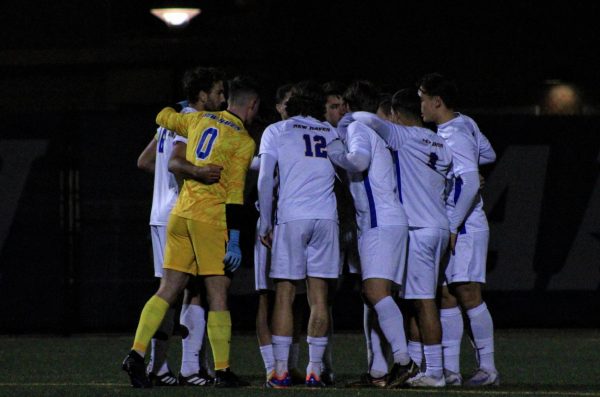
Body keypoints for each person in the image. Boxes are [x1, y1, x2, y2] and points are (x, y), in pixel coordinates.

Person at [121, 75, 260, 388]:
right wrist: (235, 240)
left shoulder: (195, 118)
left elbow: (162, 117)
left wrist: (177, 108)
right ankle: (222, 370)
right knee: (217, 293)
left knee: (167, 289)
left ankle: (136, 354)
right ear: (251, 106)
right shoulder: (243, 140)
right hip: (209, 219)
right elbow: (236, 195)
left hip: (180, 215)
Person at [352, 88, 453, 387]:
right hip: (439, 225)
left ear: (396, 115)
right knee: (418, 301)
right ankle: (422, 367)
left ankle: (434, 372)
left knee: (423, 303)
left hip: (419, 229)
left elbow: (369, 121)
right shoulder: (441, 143)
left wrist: (349, 116)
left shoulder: (404, 136)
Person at [135, 65, 226, 387]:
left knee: (169, 293)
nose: (222, 98)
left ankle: (158, 366)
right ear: (202, 95)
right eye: (218, 92)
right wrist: (196, 176)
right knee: (195, 292)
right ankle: (189, 368)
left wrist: (165, 183)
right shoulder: (196, 122)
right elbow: (177, 162)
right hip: (183, 213)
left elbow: (145, 162)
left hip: (159, 213)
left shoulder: (171, 121)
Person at [327, 81, 416, 389]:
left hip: (381, 221)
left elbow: (359, 161)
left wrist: (334, 151)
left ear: (349, 107)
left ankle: (405, 362)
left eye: (339, 106)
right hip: (380, 221)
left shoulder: (356, 128)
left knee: (376, 293)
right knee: (372, 295)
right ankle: (378, 371)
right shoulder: (372, 130)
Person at [418, 73, 499, 387]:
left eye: (423, 99)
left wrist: (452, 224)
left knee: (467, 292)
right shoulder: (465, 123)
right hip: (459, 225)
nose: (420, 105)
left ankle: (488, 369)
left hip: (464, 226)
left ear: (437, 101)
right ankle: (450, 370)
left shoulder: (454, 134)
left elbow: (466, 182)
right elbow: (488, 154)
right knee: (447, 294)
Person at [258, 81, 339, 388]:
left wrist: (265, 221)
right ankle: (315, 370)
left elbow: (266, 179)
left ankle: (280, 371)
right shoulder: (329, 132)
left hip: (292, 218)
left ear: (290, 106)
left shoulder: (277, 131)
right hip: (325, 218)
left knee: (285, 293)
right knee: (318, 296)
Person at [253, 83, 307, 385]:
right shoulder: (273, 134)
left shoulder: (300, 135)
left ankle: (291, 364)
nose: (291, 107)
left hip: (292, 225)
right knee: (266, 296)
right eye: (287, 102)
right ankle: (270, 366)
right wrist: (265, 222)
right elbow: (260, 177)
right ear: (278, 107)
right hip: (270, 226)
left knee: (296, 297)